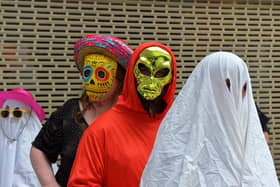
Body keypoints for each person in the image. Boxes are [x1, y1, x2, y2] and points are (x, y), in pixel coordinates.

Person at [140, 51, 279, 187]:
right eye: (228, 85)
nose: (237, 94)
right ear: (207, 86)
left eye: (243, 87)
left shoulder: (250, 138)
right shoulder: (176, 139)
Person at [67, 42, 177, 187]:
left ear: (171, 78)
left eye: (161, 73)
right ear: (132, 74)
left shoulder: (181, 128)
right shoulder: (101, 132)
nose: (151, 81)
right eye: (143, 70)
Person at [30, 34, 133, 187]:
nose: (92, 81)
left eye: (101, 74)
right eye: (87, 73)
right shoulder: (70, 112)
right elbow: (39, 150)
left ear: (119, 80)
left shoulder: (130, 118)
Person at [0, 88, 45, 187]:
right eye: (5, 113)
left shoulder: (38, 145)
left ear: (29, 115)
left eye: (17, 113)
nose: (10, 117)